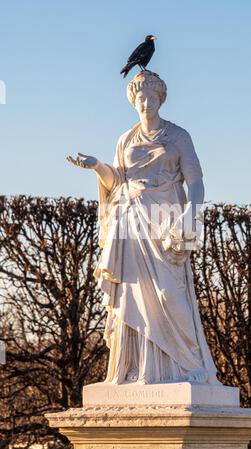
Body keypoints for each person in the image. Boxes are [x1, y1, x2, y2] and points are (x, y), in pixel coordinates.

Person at [67, 71, 219, 386]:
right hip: (130, 222)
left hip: (165, 222)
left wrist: (190, 217)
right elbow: (117, 182)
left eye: (151, 97)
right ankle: (134, 368)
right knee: (132, 295)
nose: (145, 103)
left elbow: (197, 182)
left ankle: (189, 366)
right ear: (134, 102)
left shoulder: (178, 136)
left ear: (160, 99)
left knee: (169, 295)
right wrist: (97, 166)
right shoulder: (125, 139)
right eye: (140, 98)